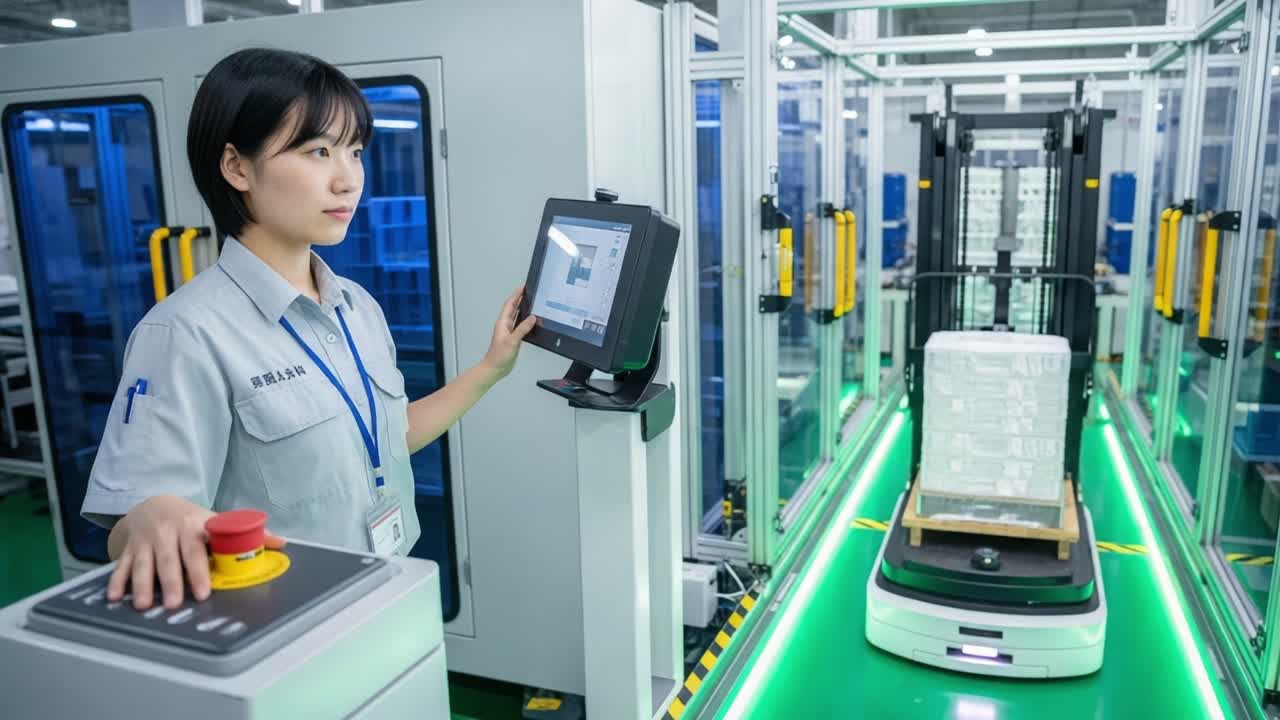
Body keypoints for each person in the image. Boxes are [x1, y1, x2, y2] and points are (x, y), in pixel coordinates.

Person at [81, 48, 535, 612]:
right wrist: (148, 515)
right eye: (319, 151)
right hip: (286, 623)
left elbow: (387, 439)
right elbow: (134, 527)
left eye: (355, 151)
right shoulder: (184, 334)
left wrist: (492, 368)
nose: (348, 180)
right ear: (237, 167)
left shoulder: (356, 308)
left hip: (393, 591)